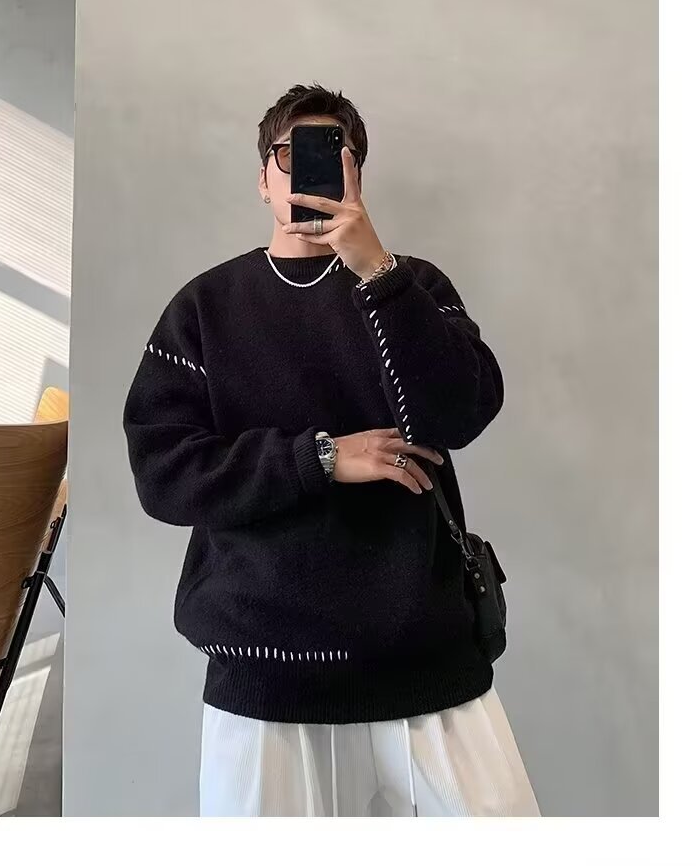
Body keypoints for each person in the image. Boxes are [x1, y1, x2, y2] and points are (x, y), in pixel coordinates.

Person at [122, 82, 541, 817]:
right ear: (262, 178)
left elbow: (461, 412)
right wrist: (320, 458)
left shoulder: (411, 286)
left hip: (426, 661)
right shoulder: (205, 308)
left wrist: (376, 269)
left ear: (356, 173)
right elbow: (165, 474)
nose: (307, 170)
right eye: (288, 153)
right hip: (267, 673)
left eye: (331, 153)